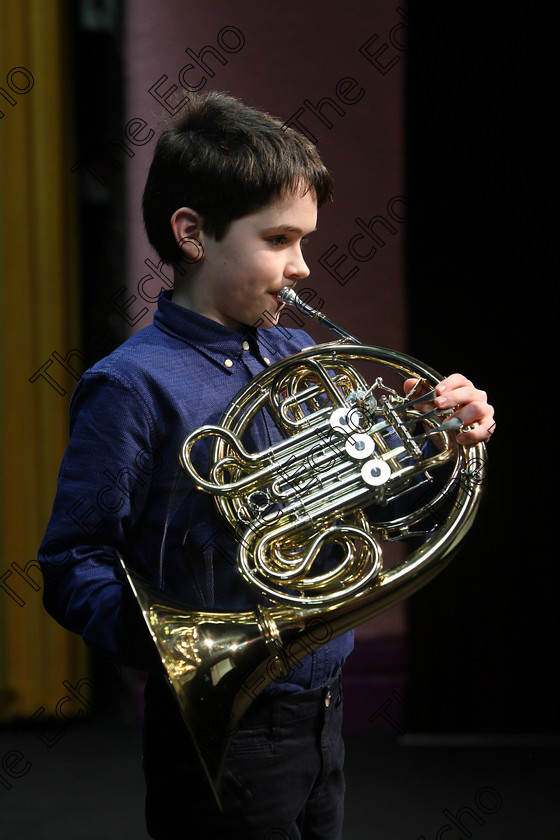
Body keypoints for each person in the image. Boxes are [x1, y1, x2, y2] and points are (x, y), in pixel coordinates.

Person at [38, 92, 495, 840]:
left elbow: (383, 512)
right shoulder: (131, 385)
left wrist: (438, 447)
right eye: (279, 239)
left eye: (306, 241)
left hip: (321, 706)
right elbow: (71, 561)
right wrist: (185, 649)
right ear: (193, 233)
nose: (303, 267)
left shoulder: (300, 360)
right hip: (225, 719)